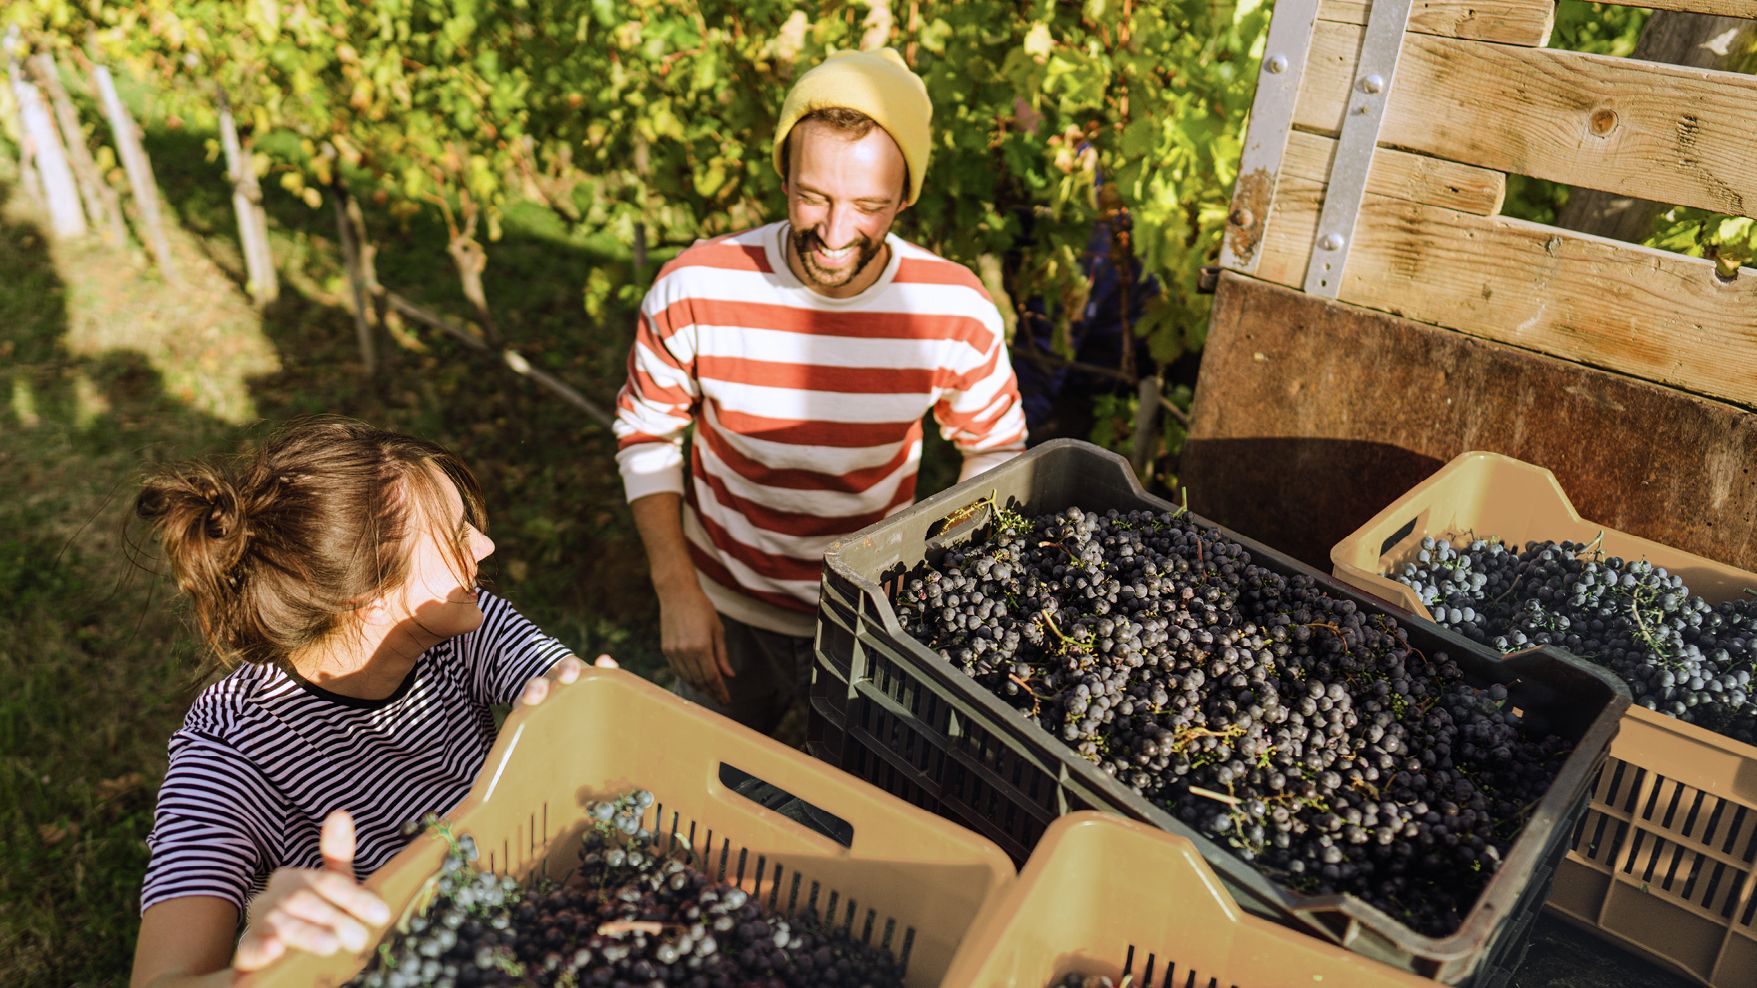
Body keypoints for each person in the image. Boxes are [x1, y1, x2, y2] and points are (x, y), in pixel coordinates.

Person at [613, 48, 1029, 736]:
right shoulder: (694, 287)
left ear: (905, 197)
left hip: (866, 619)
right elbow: (646, 433)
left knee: (835, 816)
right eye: (813, 196)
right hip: (723, 608)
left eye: (868, 206)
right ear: (782, 175)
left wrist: (928, 582)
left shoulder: (952, 311)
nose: (835, 234)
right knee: (704, 799)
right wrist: (675, 590)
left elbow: (995, 451)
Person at [129, 416, 613, 987]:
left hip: (519, 903)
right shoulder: (229, 754)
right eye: (457, 537)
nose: (485, 546)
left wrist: (584, 701)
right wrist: (250, 978)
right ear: (370, 600)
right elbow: (161, 980)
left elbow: (570, 689)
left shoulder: (466, 629)